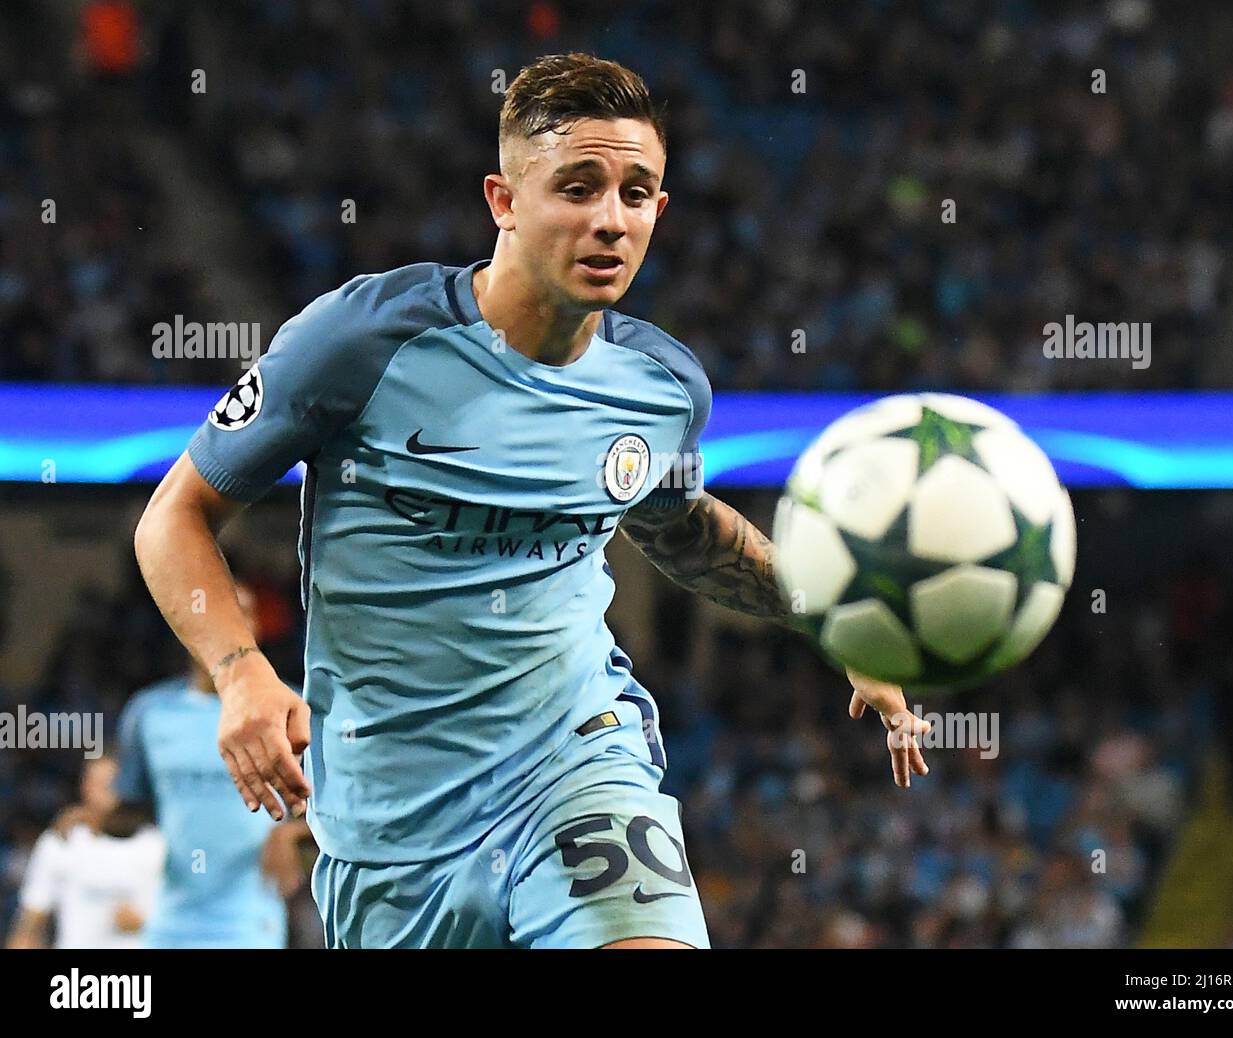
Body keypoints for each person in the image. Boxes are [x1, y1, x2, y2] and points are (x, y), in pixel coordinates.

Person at [132, 52, 931, 950]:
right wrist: (239, 670)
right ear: (504, 201)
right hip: (393, 825)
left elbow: (680, 528)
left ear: (660, 211)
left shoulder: (661, 388)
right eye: (578, 187)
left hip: (577, 759)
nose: (610, 221)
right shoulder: (358, 343)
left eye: (637, 194)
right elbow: (176, 516)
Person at [111, 581, 312, 948]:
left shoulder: (290, 709)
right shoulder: (148, 713)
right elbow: (132, 810)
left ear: (258, 627)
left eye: (244, 612)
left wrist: (292, 833)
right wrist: (87, 819)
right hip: (167, 923)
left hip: (251, 923)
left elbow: (344, 809)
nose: (230, 622)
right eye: (216, 608)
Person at [6, 756, 164, 949]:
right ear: (83, 785)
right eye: (95, 782)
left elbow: (183, 917)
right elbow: (31, 921)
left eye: (111, 783)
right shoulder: (61, 841)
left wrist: (145, 924)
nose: (102, 791)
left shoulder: (156, 845)